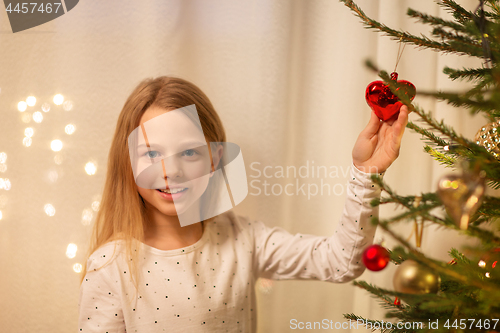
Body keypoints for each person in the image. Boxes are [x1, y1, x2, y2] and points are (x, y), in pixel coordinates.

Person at [78, 76, 409, 332]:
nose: (171, 171)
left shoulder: (242, 238)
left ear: (214, 158)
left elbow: (342, 262)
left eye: (189, 152)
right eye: (152, 153)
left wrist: (366, 175)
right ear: (128, 160)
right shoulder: (109, 266)